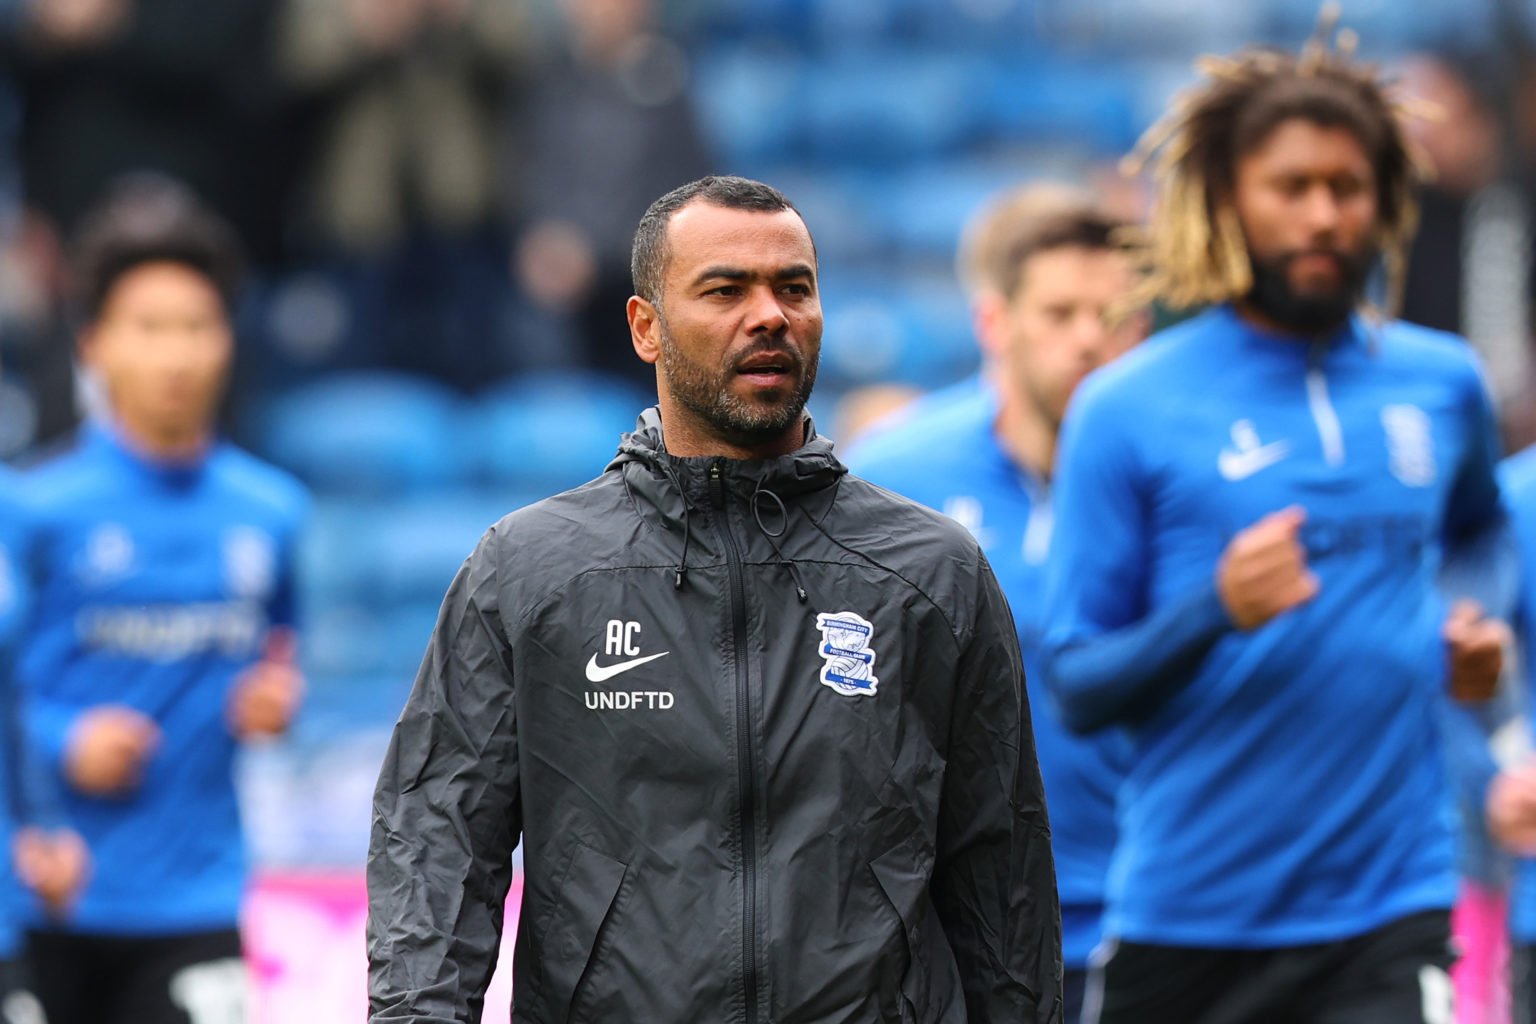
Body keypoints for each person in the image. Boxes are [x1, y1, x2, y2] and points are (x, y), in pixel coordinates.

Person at [368, 175, 1061, 1023]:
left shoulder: (932, 572)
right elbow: (438, 842)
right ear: (645, 328)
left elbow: (1004, 882)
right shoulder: (531, 570)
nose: (769, 314)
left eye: (794, 289)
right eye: (726, 289)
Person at [1040, 22, 1511, 1024]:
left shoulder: (1441, 381)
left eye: (1346, 187)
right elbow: (1079, 684)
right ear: (1227, 201)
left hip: (1395, 904)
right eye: (1290, 187)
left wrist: (1472, 631)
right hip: (1192, 917)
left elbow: (1479, 532)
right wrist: (1216, 606)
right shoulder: (1128, 406)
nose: (1323, 214)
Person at [847, 183, 1147, 1023]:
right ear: (994, 324)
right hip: (959, 926)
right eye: (1061, 313)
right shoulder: (897, 476)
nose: (1090, 338)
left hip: (1151, 916)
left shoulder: (1185, 479)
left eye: (1115, 314)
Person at [17, 179, 308, 1024]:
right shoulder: (29, 509)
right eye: (149, 329)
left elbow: (281, 662)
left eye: (196, 326)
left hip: (195, 900)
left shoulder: (272, 512)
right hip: (42, 895)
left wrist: (273, 704)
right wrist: (63, 739)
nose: (176, 355)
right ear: (94, 344)